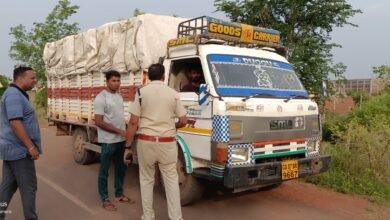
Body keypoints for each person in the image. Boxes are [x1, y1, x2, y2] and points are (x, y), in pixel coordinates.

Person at [125, 64, 187, 220]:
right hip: (167, 143)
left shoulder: (141, 93)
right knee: (171, 181)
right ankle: (176, 218)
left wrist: (127, 147)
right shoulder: (173, 94)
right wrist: (171, 127)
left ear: (149, 77)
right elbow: (183, 120)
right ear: (163, 76)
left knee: (146, 180)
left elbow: (133, 122)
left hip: (146, 142)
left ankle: (148, 216)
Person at [0, 66, 41, 220]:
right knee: (29, 188)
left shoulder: (16, 94)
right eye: (32, 78)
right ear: (20, 78)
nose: (35, 80)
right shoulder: (14, 95)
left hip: (12, 149)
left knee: (7, 188)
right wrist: (30, 146)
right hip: (19, 151)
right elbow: (15, 123)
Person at [94, 70, 134, 212]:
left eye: (118, 81)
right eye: (113, 81)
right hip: (108, 141)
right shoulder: (101, 98)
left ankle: (119, 194)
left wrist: (126, 132)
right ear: (107, 81)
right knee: (104, 171)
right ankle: (105, 199)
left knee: (121, 168)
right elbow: (98, 121)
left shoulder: (118, 96)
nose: (116, 83)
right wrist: (118, 131)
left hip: (121, 140)